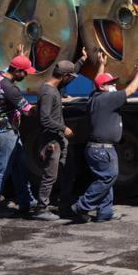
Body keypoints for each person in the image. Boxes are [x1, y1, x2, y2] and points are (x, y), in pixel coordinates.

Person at [0, 54, 57, 222]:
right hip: (4, 133)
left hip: (4, 131)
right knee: (0, 172)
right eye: (25, 72)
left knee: (20, 168)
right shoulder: (10, 89)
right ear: (17, 71)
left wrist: (19, 53)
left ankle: (26, 202)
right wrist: (45, 105)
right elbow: (28, 111)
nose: (26, 75)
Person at [71, 54, 138, 223]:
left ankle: (105, 212)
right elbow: (131, 90)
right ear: (103, 88)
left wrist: (101, 65)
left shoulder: (94, 97)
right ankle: (82, 205)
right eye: (111, 83)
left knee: (104, 178)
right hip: (103, 150)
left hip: (96, 149)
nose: (114, 85)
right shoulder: (108, 99)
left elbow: (96, 81)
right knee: (108, 177)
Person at [37, 51, 86, 216]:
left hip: (59, 139)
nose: (71, 79)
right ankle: (41, 208)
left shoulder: (55, 87)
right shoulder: (48, 93)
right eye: (70, 76)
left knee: (69, 171)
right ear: (64, 76)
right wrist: (63, 128)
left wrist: (82, 59)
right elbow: (44, 119)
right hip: (52, 139)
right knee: (50, 175)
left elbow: (72, 72)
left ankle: (64, 204)